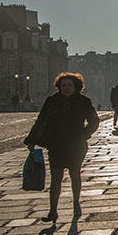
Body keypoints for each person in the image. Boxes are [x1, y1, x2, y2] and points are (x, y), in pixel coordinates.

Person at [24, 72, 99, 223]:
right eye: (63, 85)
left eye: (69, 85)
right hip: (56, 144)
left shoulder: (83, 101)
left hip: (76, 144)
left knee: (74, 174)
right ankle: (53, 210)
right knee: (56, 178)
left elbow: (94, 121)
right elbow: (41, 120)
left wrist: (84, 135)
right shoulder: (51, 101)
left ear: (76, 86)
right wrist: (31, 139)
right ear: (59, 86)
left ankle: (76, 203)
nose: (66, 88)